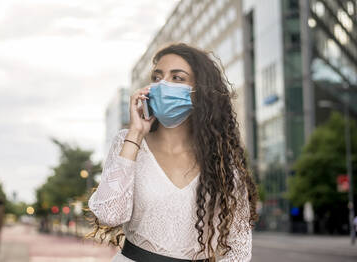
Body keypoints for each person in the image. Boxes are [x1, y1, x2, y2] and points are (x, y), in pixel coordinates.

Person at [87, 43, 258, 261]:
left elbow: (240, 249)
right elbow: (109, 215)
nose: (163, 85)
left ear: (200, 91)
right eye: (157, 78)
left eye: (177, 78)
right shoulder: (127, 141)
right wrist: (136, 133)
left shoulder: (222, 162)